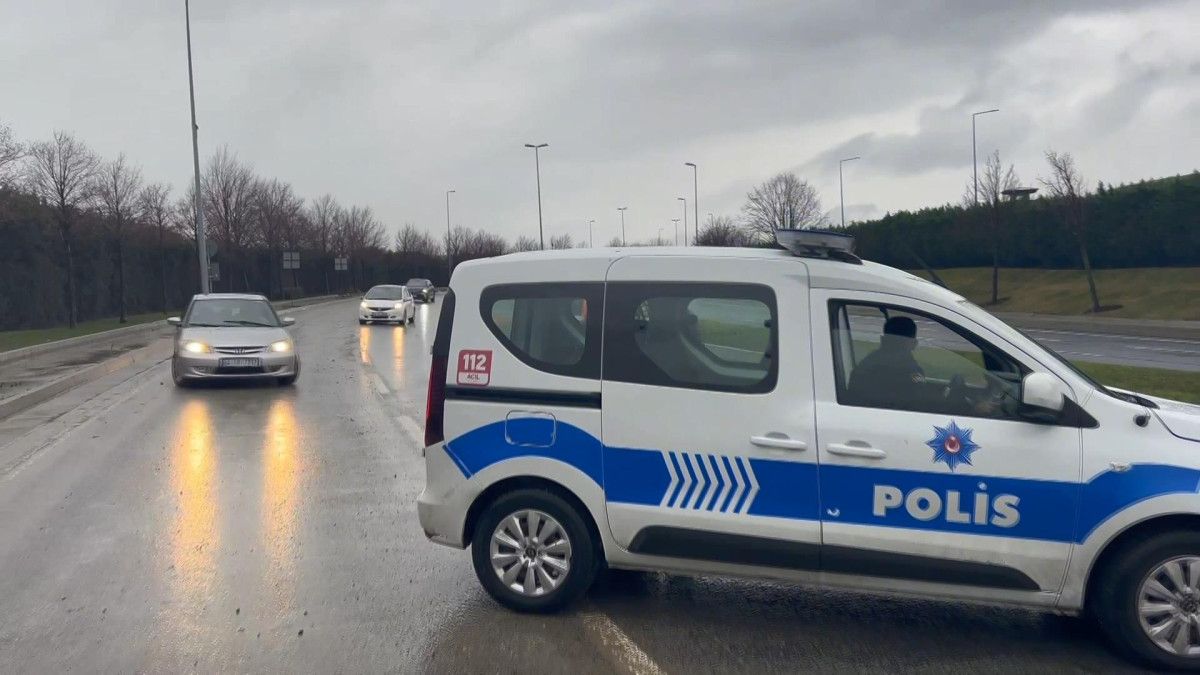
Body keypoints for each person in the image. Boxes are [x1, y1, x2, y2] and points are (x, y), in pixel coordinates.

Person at [845, 316, 927, 409]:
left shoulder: (866, 365)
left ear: (883, 339)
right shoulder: (910, 371)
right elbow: (920, 399)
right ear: (913, 343)